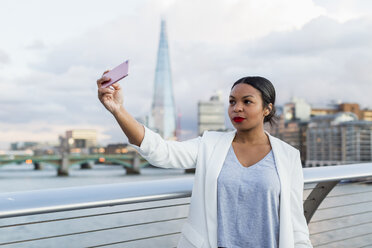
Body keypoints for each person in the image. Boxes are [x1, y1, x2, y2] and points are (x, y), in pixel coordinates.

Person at [97, 75, 313, 248]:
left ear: (267, 109)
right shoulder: (210, 144)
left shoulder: (288, 156)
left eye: (247, 101)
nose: (237, 108)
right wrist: (118, 110)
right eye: (232, 102)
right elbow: (162, 152)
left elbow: (296, 223)